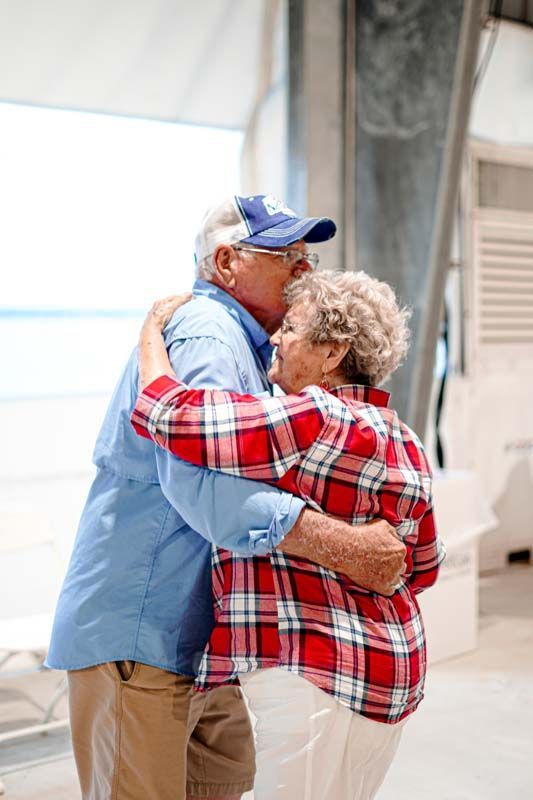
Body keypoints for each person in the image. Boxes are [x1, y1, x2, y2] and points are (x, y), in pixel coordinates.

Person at [46, 195, 406, 800]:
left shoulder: (252, 349)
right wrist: (343, 544)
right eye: (287, 255)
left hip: (200, 646)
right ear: (226, 262)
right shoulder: (209, 332)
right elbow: (203, 486)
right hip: (145, 634)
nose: (305, 268)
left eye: (308, 256)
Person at [131, 268, 446, 800]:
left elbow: (174, 415)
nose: (276, 337)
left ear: (332, 353)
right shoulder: (406, 439)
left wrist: (150, 334)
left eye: (292, 327)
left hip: (316, 669)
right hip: (392, 670)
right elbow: (424, 567)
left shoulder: (314, 417)